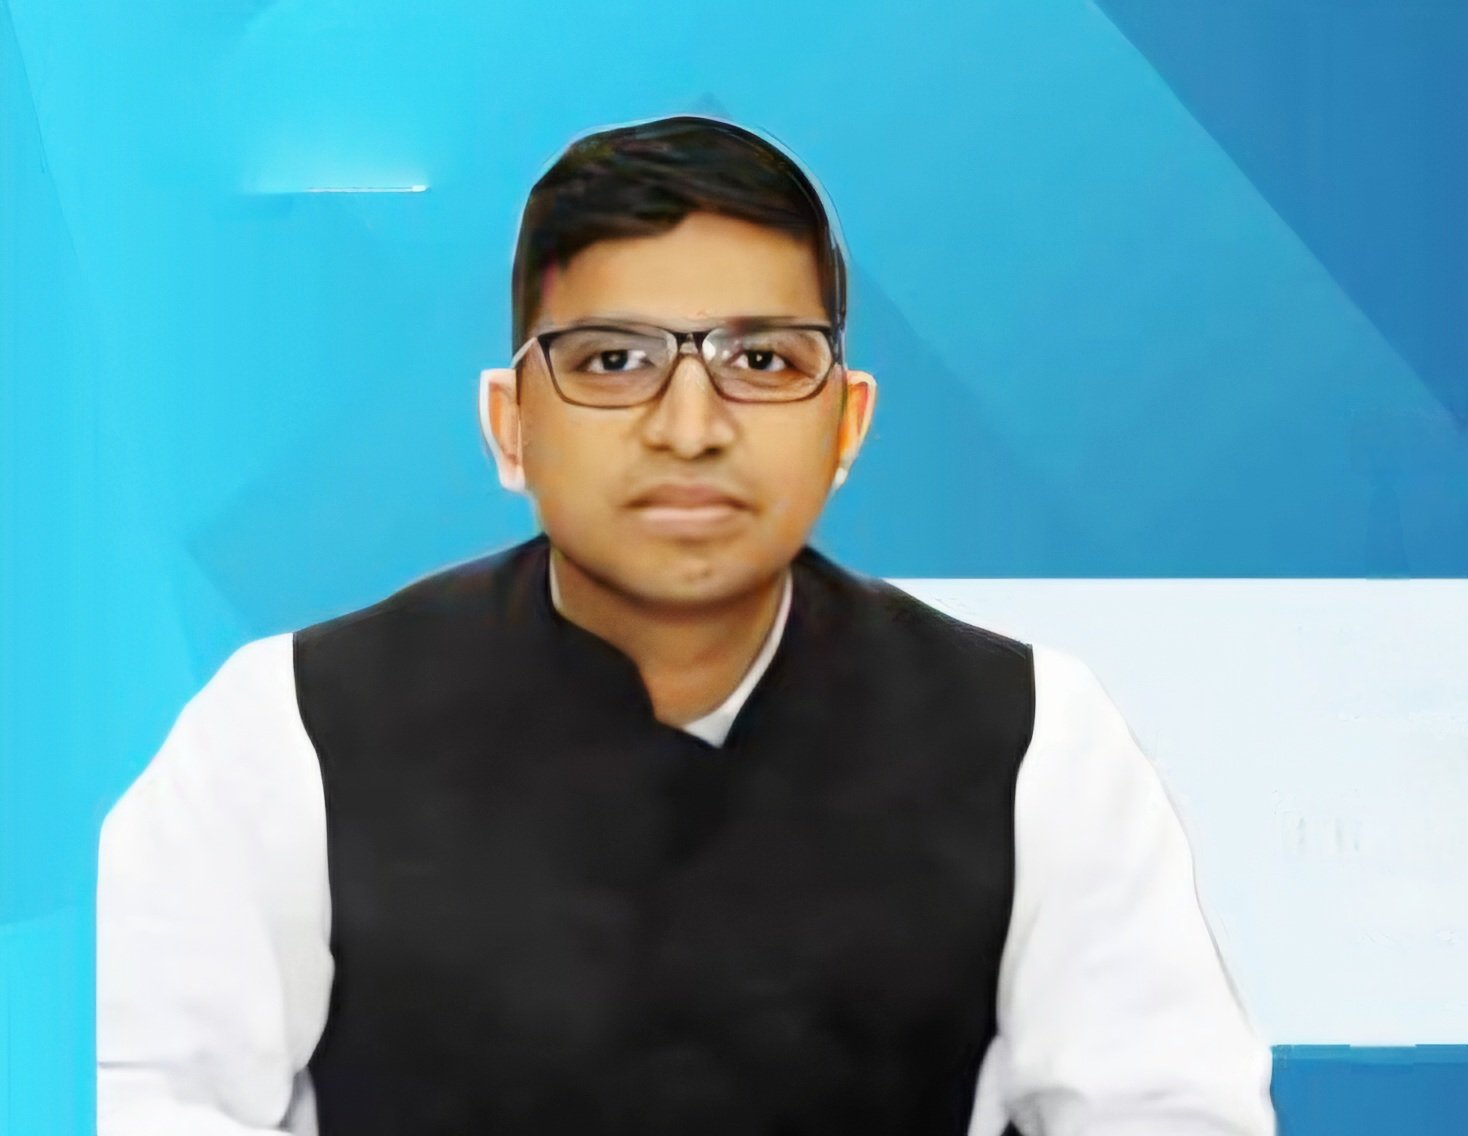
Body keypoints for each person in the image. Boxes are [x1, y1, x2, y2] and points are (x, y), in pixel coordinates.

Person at [96, 114, 1276, 1136]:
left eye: (762, 358)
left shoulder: (1030, 736)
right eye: (614, 359)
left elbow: (1166, 1109)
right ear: (510, 424)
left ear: (847, 422)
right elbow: (137, 1094)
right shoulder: (291, 727)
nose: (691, 424)